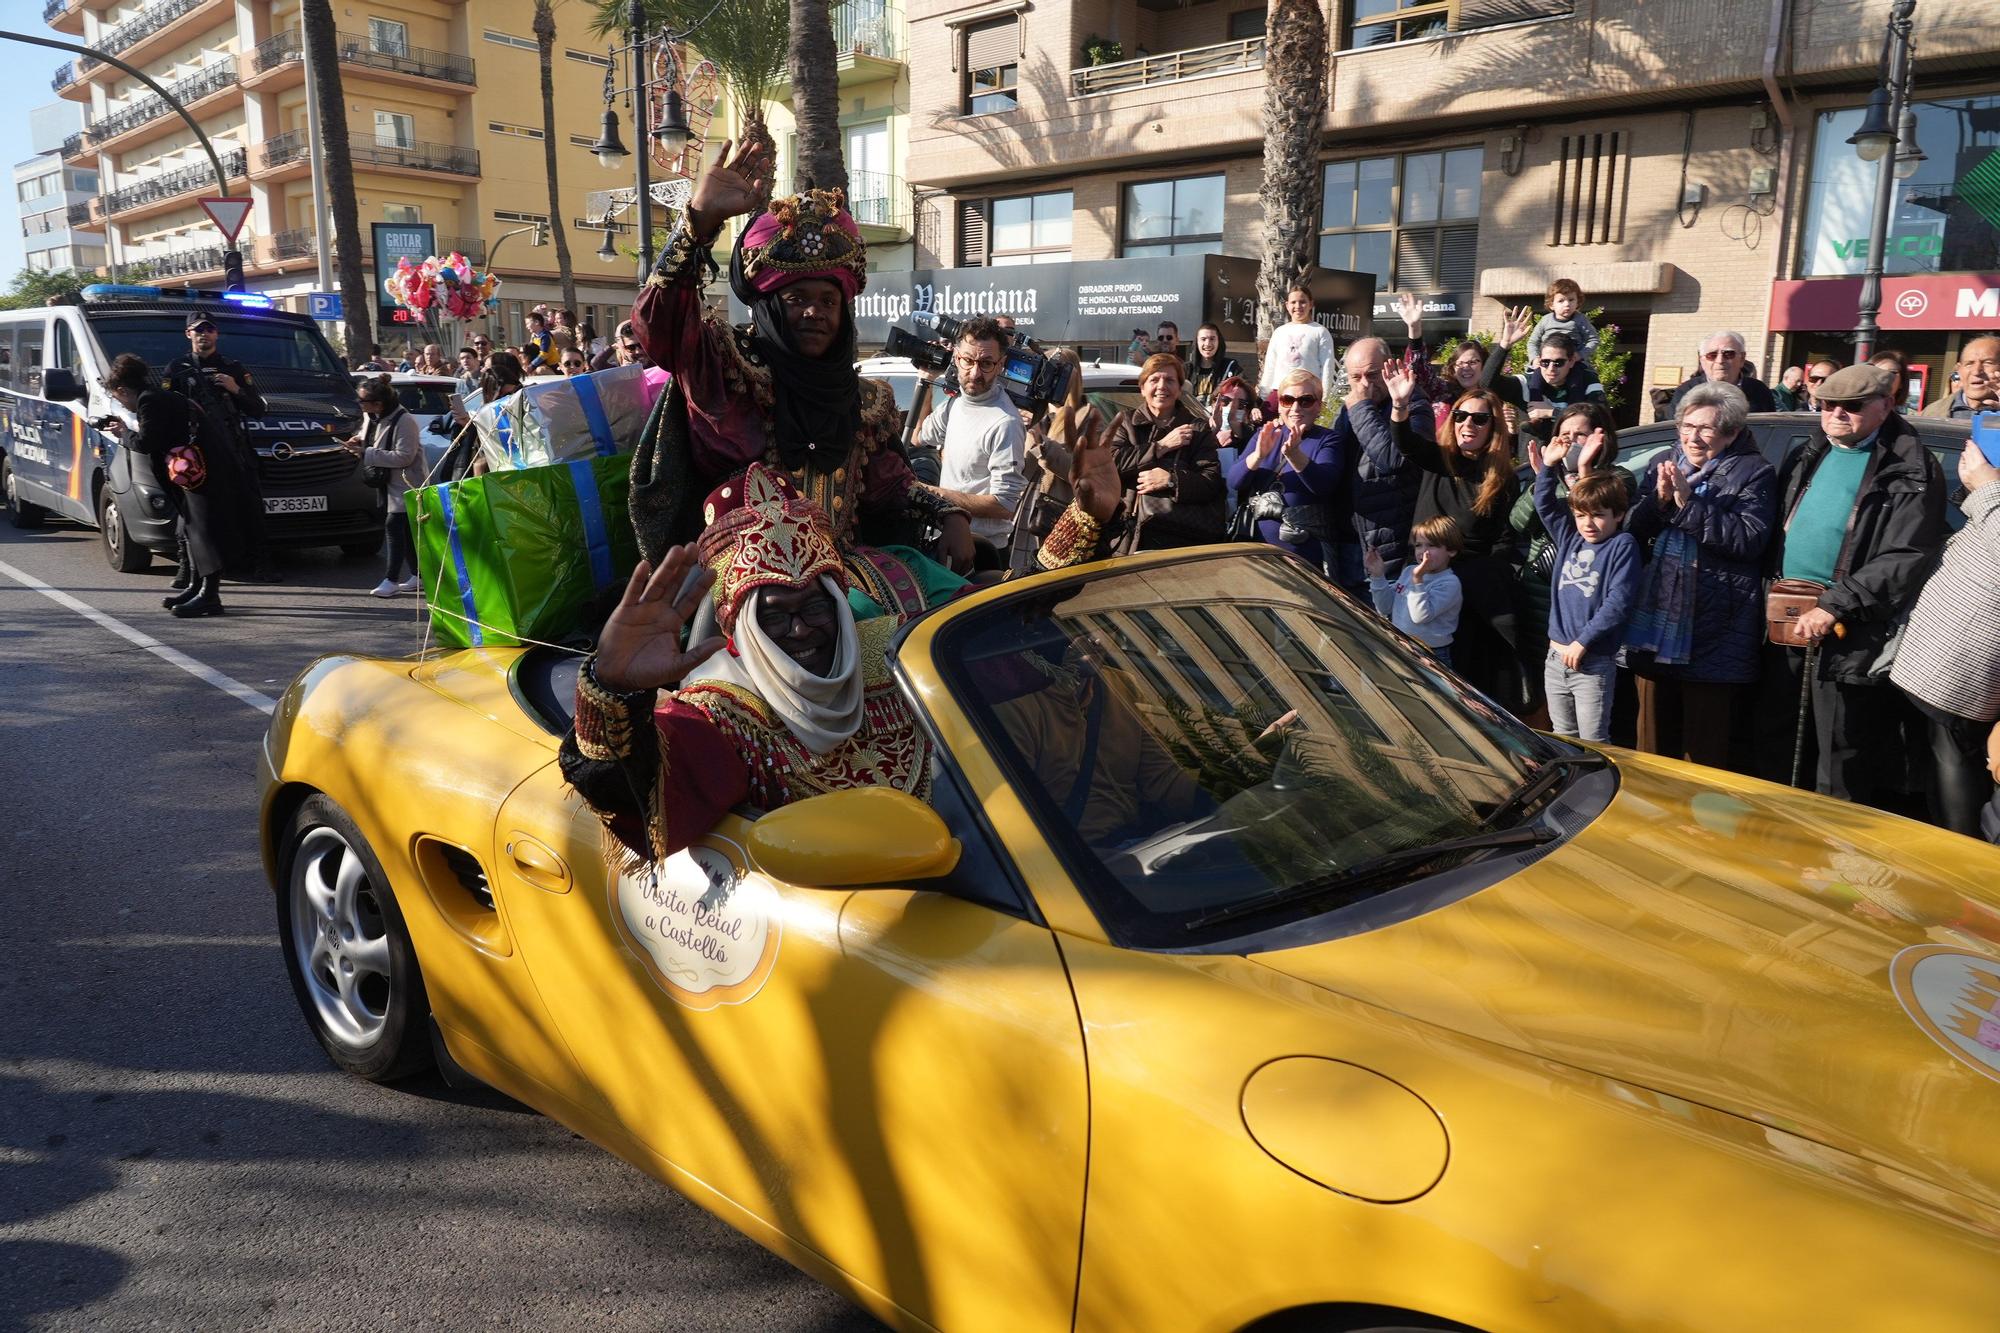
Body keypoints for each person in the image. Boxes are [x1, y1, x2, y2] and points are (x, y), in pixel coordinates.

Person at [559, 456, 1123, 860]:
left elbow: (1004, 634)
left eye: (816, 605)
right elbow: (642, 801)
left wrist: (1085, 520)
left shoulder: (898, 650)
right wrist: (612, 688)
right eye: (775, 616)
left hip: (975, 890)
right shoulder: (728, 711)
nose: (803, 629)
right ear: (741, 623)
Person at [632, 137, 975, 599]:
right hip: (748, 586)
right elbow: (661, 325)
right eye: (796, 299)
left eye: (828, 300)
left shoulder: (866, 401)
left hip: (848, 577)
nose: (815, 312)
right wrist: (699, 221)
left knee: (960, 606)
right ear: (770, 306)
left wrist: (945, 511)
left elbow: (888, 485)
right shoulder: (728, 369)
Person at [1758, 363, 1948, 805]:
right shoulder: (1812, 449)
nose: (1837, 414)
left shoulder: (1911, 466)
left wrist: (1834, 605)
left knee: (1840, 754)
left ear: (1885, 406)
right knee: (1777, 735)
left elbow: (1906, 555)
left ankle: (1834, 860)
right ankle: (1773, 838)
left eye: (1852, 406)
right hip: (1785, 615)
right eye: (1828, 404)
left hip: (1849, 626)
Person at [1620, 382, 1778, 770]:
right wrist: (1658, 501)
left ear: (1731, 433)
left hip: (1714, 623)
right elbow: (1631, 529)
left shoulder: (1755, 472)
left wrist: (1685, 505)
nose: (1694, 437)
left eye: (1706, 429)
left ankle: (1699, 827)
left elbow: (1748, 540)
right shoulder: (1663, 460)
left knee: (1703, 749)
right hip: (1654, 621)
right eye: (1687, 426)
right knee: (1651, 742)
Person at [1383, 365, 1525, 709]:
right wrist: (1400, 405)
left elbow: (1503, 541)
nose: (1467, 425)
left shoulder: (1502, 478)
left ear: (1493, 428)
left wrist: (1474, 581)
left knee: (1463, 687)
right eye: (1461, 416)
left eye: (1479, 419)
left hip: (1467, 591)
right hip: (1422, 579)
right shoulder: (1442, 459)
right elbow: (1406, 443)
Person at [1889, 439, 2000, 837]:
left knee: (1953, 762)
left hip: (1967, 657)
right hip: (1945, 648)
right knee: (1932, 766)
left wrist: (1988, 488)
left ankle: (1963, 861)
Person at [97, 353, 248, 618]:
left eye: (117, 397)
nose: (119, 402)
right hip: (199, 474)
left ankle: (209, 596)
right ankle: (195, 586)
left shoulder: (150, 401)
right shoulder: (159, 395)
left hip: (201, 476)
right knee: (189, 531)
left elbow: (146, 442)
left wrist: (123, 434)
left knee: (202, 534)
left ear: (122, 389)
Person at [1528, 458, 1641, 743]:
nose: (1588, 523)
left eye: (1598, 514)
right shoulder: (1569, 538)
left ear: (1618, 514)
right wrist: (1547, 468)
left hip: (1592, 664)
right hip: (1555, 659)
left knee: (1594, 741)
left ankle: (1597, 788)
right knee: (1563, 737)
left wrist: (1583, 642)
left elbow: (1619, 601)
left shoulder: (1622, 545)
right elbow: (1544, 505)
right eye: (1580, 515)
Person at [1511, 402, 1627, 664]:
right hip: (1538, 591)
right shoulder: (1550, 475)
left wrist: (1585, 470)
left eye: (1580, 436)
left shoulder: (1616, 479)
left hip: (1581, 598)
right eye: (1565, 436)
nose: (1572, 443)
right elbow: (1518, 522)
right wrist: (1544, 477)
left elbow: (1593, 521)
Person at [165, 312, 277, 582]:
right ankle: (187, 566)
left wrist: (235, 388)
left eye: (209, 329)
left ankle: (262, 563)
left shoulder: (232, 368)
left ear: (217, 334)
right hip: (195, 452)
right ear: (188, 334)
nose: (204, 334)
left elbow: (257, 409)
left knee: (250, 506)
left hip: (232, 446)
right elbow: (165, 409)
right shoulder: (177, 369)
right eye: (198, 330)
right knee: (191, 511)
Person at [917, 316, 1028, 567]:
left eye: (986, 363)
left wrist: (936, 495)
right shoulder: (955, 404)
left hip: (981, 552)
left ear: (1001, 365)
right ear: (956, 358)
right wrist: (925, 380)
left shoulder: (1005, 422)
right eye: (968, 361)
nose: (975, 373)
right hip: (943, 543)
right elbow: (920, 436)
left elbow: (1004, 504)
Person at [1227, 369, 1347, 575]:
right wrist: (1258, 455)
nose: (1296, 408)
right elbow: (1235, 481)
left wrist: (1294, 455)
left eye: (1306, 400)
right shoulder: (1265, 435)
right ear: (1280, 405)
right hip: (1258, 554)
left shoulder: (1328, 439)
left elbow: (1324, 485)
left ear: (1319, 406)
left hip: (1304, 559)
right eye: (1288, 400)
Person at [1108, 353, 1226, 551]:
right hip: (1124, 537)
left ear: (1179, 389)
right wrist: (1161, 446)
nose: (1162, 386)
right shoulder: (1125, 423)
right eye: (1154, 379)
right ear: (1142, 388)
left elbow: (1211, 481)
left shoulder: (1197, 429)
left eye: (1170, 380)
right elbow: (1110, 464)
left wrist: (1171, 480)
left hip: (1178, 539)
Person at [1338, 336, 1428, 586]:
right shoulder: (1353, 408)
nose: (1365, 384)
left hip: (1390, 547)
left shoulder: (1415, 404)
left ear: (1390, 367)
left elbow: (1392, 459)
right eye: (1356, 378)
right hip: (1350, 542)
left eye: (1373, 374)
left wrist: (1362, 408)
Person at [339, 375, 427, 597]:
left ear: (378, 403)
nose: (360, 405)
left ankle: (391, 579)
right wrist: (356, 440)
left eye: (363, 401)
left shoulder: (405, 420)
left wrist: (366, 453)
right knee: (405, 531)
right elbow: (366, 434)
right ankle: (419, 575)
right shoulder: (373, 416)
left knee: (394, 526)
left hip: (406, 483)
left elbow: (405, 456)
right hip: (386, 481)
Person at [1366, 515, 1463, 664]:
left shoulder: (1449, 583)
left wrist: (1418, 580)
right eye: (1418, 545)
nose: (1423, 552)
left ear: (1451, 551)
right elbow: (1384, 607)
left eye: (1432, 545)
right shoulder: (1409, 571)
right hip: (1401, 644)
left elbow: (1420, 616)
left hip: (1431, 654)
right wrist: (1378, 576)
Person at [1517, 332, 1605, 439]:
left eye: (1559, 363)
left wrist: (1553, 412)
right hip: (1540, 452)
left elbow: (1601, 418)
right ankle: (1537, 422)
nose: (1551, 368)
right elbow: (1491, 386)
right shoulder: (1527, 380)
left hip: (1577, 451)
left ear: (1571, 361)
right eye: (1545, 362)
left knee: (1576, 397)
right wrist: (1504, 346)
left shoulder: (1587, 379)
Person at [1667, 331, 1777, 415]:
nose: (1720, 360)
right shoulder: (1686, 391)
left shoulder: (1759, 391)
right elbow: (1672, 431)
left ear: (1742, 358)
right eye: (1712, 355)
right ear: (1702, 360)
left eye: (1728, 354)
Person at [1258, 285, 1336, 400]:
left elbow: (1327, 368)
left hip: (1307, 395)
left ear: (1311, 304)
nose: (1297, 306)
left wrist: (1323, 399)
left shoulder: (1320, 332)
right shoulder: (1279, 332)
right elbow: (1270, 366)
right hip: (1279, 392)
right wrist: (1263, 397)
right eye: (1293, 302)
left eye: (1302, 302)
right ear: (1287, 305)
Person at [1526, 278, 1601, 366]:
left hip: (1572, 363)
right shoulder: (1545, 320)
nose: (1567, 304)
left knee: (1584, 378)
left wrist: (1580, 355)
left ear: (1578, 302)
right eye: (1561, 301)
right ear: (1551, 305)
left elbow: (1593, 339)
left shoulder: (1580, 320)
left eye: (1571, 300)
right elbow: (1533, 342)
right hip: (1547, 363)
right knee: (1535, 379)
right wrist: (1534, 358)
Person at [1923, 336, 2000, 420]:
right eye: (1969, 364)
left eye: (1987, 363)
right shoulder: (1932, 412)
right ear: (1959, 370)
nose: (1976, 371)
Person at [1184, 323, 1241, 405]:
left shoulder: (1231, 367)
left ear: (1219, 341)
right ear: (1197, 342)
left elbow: (1245, 390)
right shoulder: (1186, 369)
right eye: (1203, 339)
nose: (1207, 344)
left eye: (1212, 339)